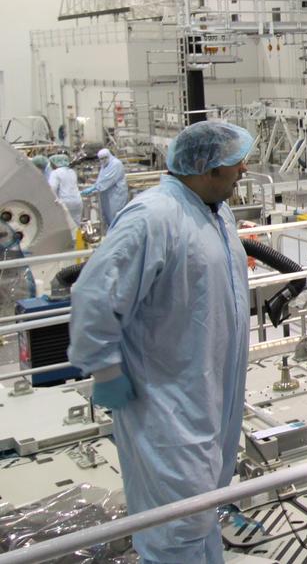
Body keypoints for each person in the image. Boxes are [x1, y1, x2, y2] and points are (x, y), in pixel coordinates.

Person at [67, 120, 255, 563]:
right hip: (166, 402)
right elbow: (95, 294)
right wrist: (106, 369)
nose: (245, 169)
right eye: (236, 163)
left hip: (211, 392)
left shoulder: (216, 210)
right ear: (207, 168)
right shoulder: (152, 217)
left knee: (203, 511)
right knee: (176, 526)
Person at [82, 147, 130, 229]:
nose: (103, 160)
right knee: (108, 217)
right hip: (107, 195)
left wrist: (94, 188)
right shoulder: (104, 165)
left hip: (116, 195)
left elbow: (108, 180)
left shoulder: (116, 164)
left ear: (109, 156)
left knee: (116, 216)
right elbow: (101, 178)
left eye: (104, 158)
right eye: (101, 159)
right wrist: (95, 185)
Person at [47, 154, 82, 223]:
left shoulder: (55, 173)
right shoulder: (72, 171)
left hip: (65, 203)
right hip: (77, 202)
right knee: (77, 225)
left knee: (66, 226)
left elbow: (52, 188)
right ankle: (78, 234)